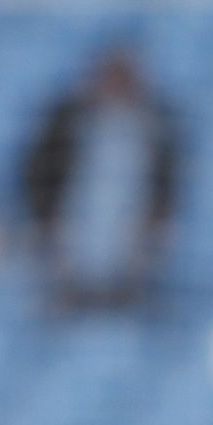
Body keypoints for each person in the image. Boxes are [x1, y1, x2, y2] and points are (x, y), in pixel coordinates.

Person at [23, 47, 180, 312]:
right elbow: (38, 180)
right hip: (73, 241)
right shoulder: (65, 126)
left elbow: (166, 191)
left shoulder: (155, 130)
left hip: (129, 245)